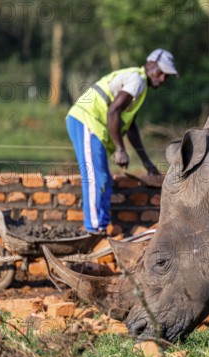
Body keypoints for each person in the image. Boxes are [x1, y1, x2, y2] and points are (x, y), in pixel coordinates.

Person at [66, 49, 178, 233]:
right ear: (149, 65)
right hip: (85, 120)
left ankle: (100, 227)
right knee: (95, 178)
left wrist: (147, 163)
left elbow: (130, 126)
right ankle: (93, 229)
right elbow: (113, 112)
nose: (163, 78)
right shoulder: (137, 80)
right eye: (161, 72)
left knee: (104, 179)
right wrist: (120, 149)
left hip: (92, 125)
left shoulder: (139, 86)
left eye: (167, 75)